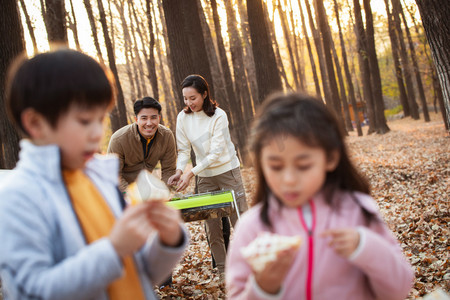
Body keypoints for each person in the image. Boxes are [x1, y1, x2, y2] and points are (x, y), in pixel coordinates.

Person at [0, 49, 188, 300]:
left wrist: (169, 241)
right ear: (36, 124)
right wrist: (114, 249)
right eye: (85, 121)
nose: (97, 133)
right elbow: (33, 291)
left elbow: (137, 272)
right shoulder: (18, 197)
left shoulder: (99, 180)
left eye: (101, 120)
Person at [226, 92, 414, 299]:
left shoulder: (358, 211)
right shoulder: (252, 227)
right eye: (276, 166)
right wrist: (263, 287)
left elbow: (399, 289)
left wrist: (366, 247)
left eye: (303, 165)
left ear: (331, 158)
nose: (289, 179)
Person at [167, 74, 248, 280]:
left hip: (228, 172)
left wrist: (191, 173)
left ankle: (250, 266)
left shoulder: (219, 116)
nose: (188, 103)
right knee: (212, 227)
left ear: (204, 94)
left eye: (193, 98)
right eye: (185, 98)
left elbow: (216, 153)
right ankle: (223, 271)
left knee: (239, 221)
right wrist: (179, 171)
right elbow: (184, 150)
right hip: (205, 177)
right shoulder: (182, 118)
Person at [107, 97, 177, 192]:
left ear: (159, 118)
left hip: (146, 189)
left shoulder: (166, 136)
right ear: (136, 119)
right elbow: (114, 174)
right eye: (144, 118)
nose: (149, 123)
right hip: (120, 191)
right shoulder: (118, 139)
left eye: (153, 117)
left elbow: (169, 170)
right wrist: (132, 196)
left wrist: (164, 192)